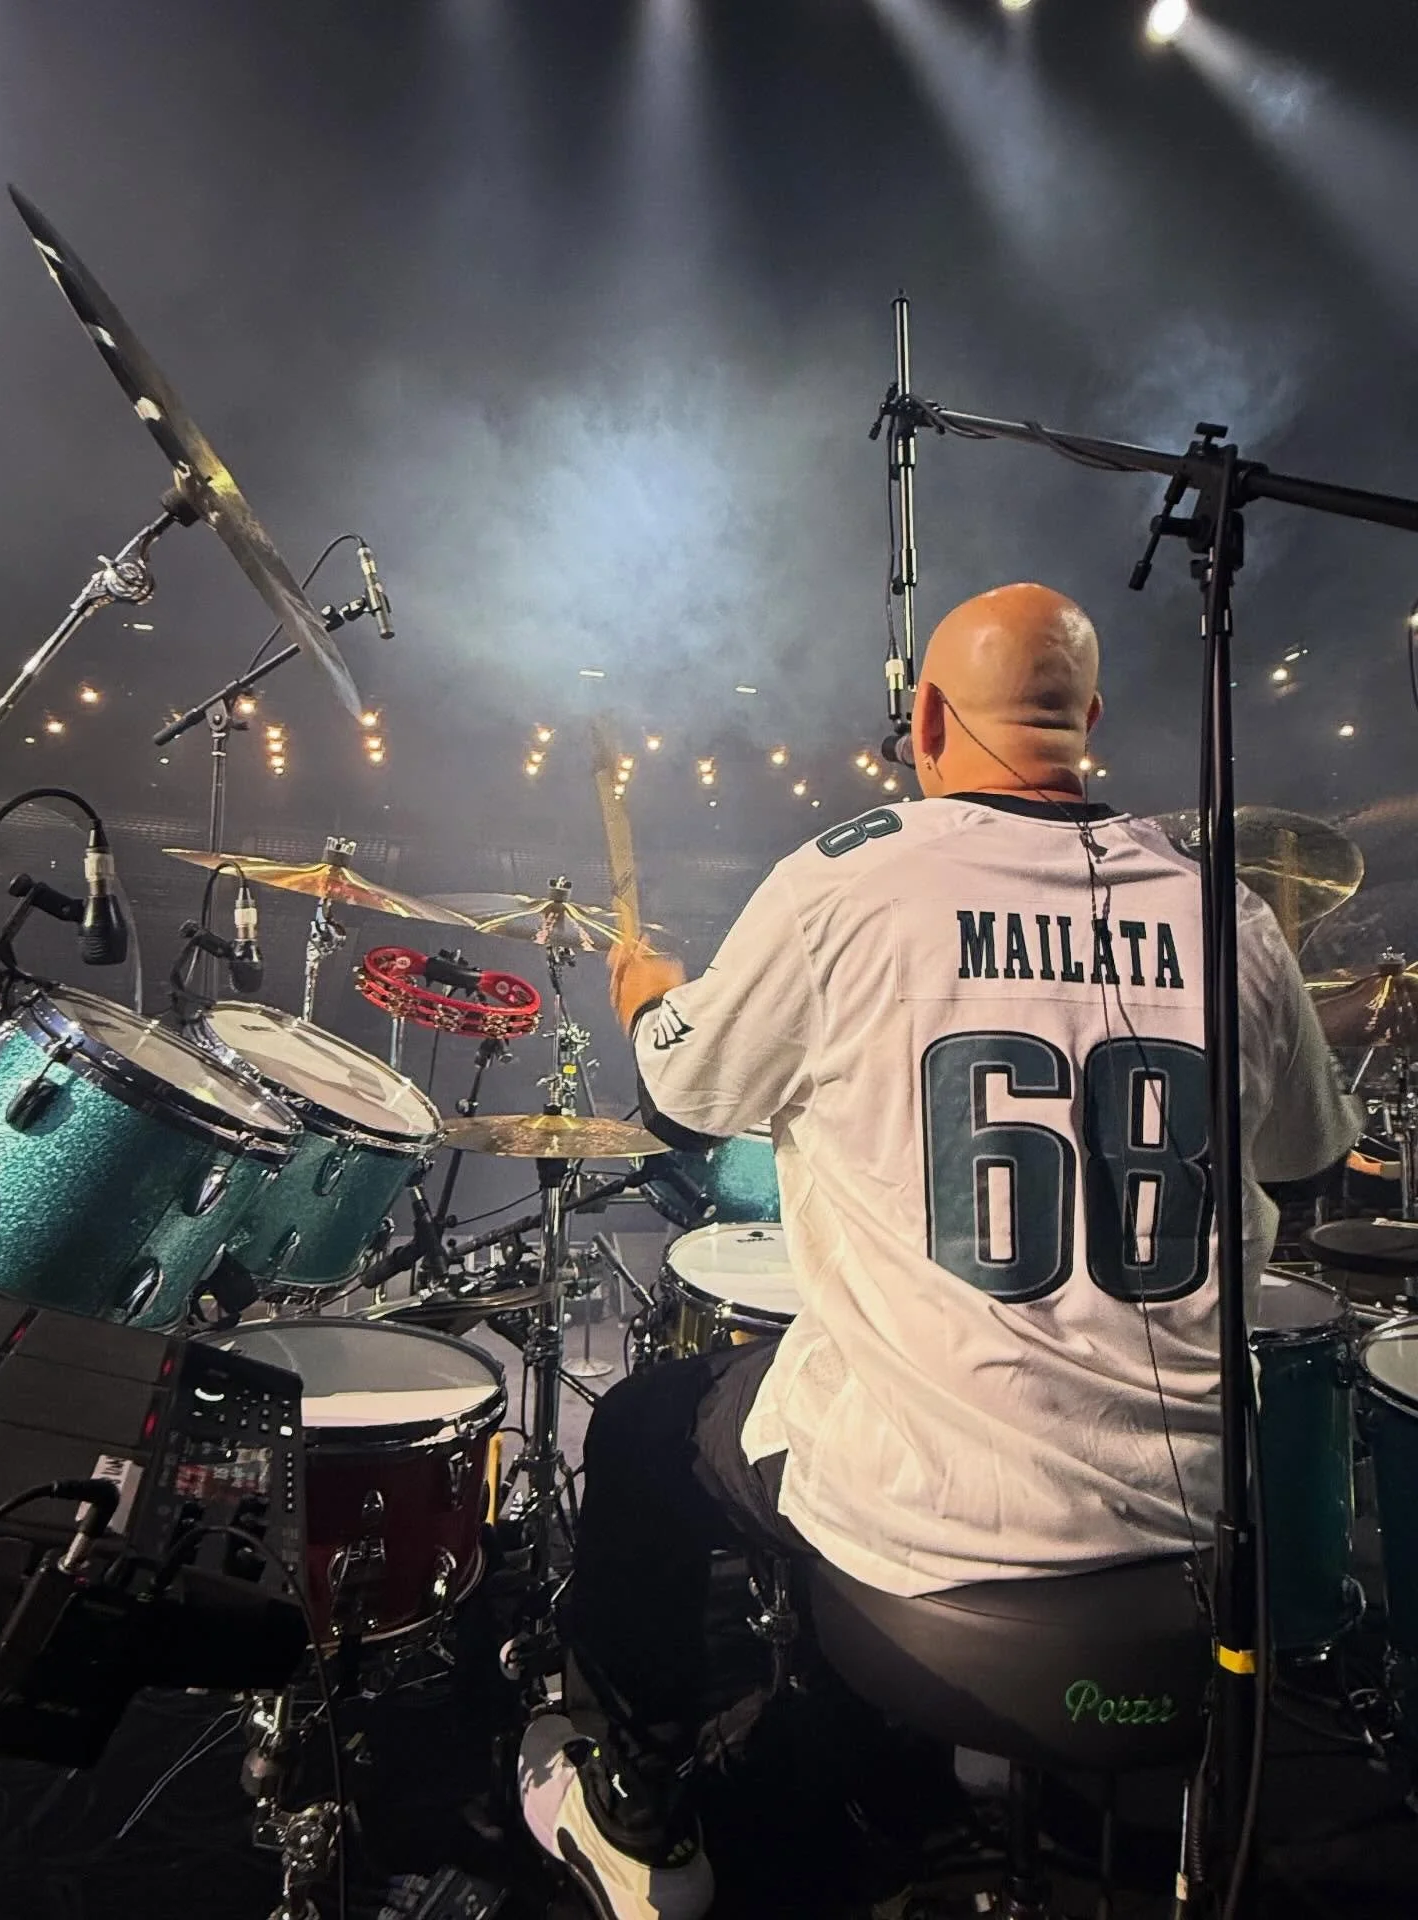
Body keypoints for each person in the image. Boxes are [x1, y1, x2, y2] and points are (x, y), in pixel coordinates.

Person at [519, 582, 1359, 1920]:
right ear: (1089, 721)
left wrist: (647, 999)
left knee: (641, 1428)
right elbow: (1308, 1168)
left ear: (923, 719)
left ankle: (641, 1818)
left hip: (931, 1525)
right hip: (1195, 1529)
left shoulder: (847, 880)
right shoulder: (1232, 917)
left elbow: (679, 1100)